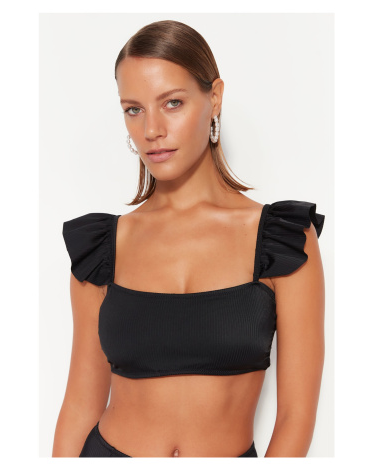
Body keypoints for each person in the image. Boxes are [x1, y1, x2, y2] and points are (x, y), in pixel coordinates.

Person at [52, 19, 326, 458]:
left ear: (214, 98)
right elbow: (80, 405)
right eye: (134, 109)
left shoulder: (283, 240)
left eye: (173, 103)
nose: (151, 130)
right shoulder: (101, 247)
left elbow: (296, 416)